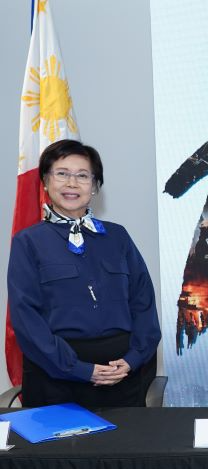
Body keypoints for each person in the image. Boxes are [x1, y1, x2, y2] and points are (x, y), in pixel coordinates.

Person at [7, 139, 161, 407]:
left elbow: (143, 303)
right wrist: (78, 369)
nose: (72, 184)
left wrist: (132, 360)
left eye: (82, 176)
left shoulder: (118, 236)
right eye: (62, 174)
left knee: (126, 448)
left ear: (95, 186)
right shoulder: (28, 241)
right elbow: (26, 318)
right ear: (45, 181)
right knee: (61, 450)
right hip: (56, 377)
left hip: (120, 374)